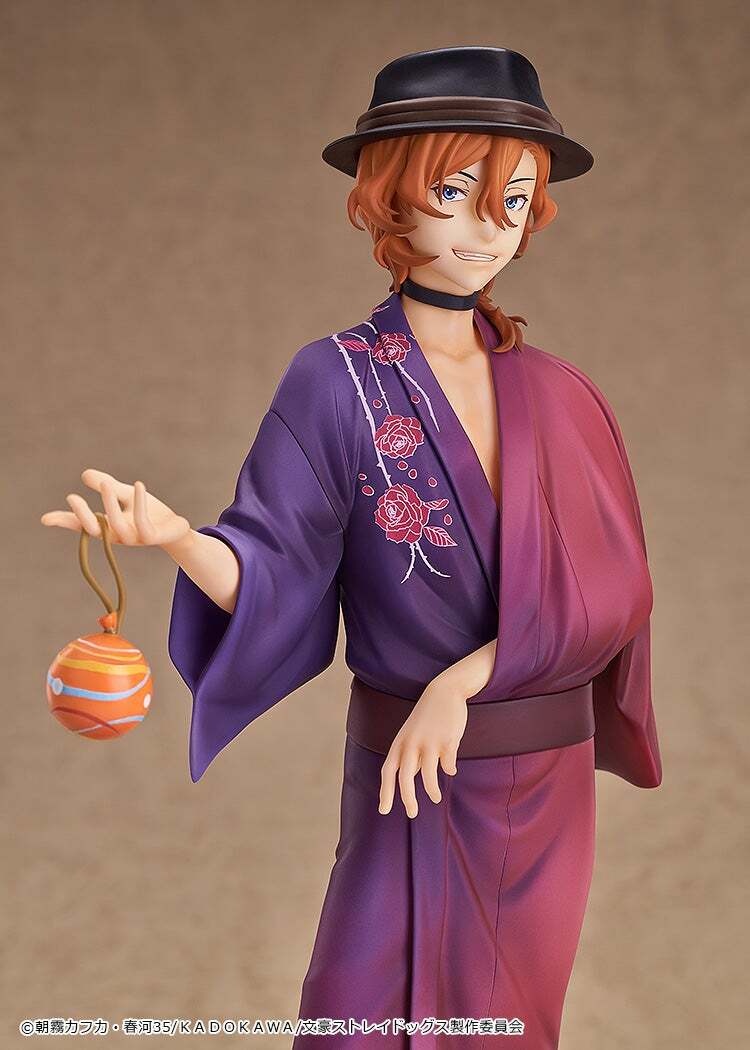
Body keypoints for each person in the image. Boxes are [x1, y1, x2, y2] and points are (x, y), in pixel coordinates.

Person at [41, 46, 662, 1050]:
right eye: (455, 193)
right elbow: (277, 562)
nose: (484, 228)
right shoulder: (335, 380)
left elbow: (613, 594)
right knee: (355, 1012)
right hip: (403, 775)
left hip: (542, 783)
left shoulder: (564, 396)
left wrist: (464, 682)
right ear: (389, 198)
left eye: (511, 201)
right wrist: (177, 539)